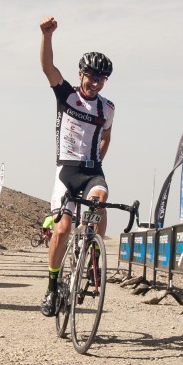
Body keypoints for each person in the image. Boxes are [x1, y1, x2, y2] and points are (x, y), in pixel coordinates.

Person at [38, 16, 115, 317]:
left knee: (100, 201)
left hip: (92, 169)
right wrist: (46, 36)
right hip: (66, 171)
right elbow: (47, 67)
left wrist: (99, 158)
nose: (95, 82)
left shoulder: (107, 108)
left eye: (101, 78)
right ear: (81, 74)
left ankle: (92, 248)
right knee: (63, 228)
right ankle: (52, 286)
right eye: (91, 76)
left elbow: (106, 134)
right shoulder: (66, 95)